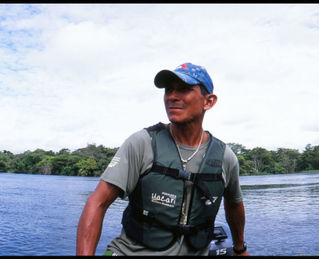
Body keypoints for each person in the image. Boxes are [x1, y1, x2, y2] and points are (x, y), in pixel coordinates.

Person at [76, 62, 249, 256]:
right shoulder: (141, 143)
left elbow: (234, 205)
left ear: (208, 101)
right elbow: (97, 203)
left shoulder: (225, 158)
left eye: (183, 90)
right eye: (168, 90)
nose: (172, 97)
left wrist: (240, 249)